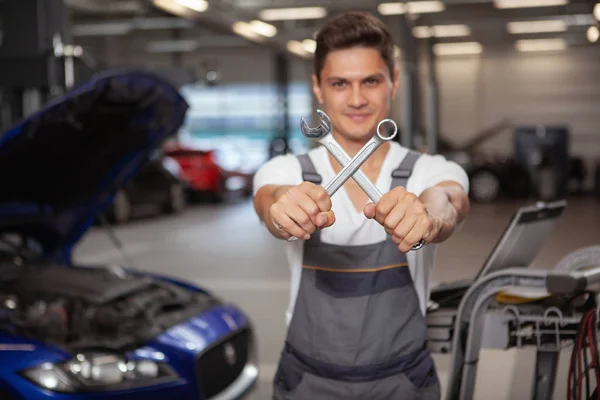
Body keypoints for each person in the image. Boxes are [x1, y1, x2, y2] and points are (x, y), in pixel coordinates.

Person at [253, 10, 470, 400]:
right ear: (318, 88)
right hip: (307, 384)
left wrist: (429, 218)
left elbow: (448, 200)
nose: (356, 99)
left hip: (404, 384)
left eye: (370, 81)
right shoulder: (286, 171)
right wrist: (282, 208)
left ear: (394, 82)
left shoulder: (429, 170)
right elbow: (269, 200)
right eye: (340, 83)